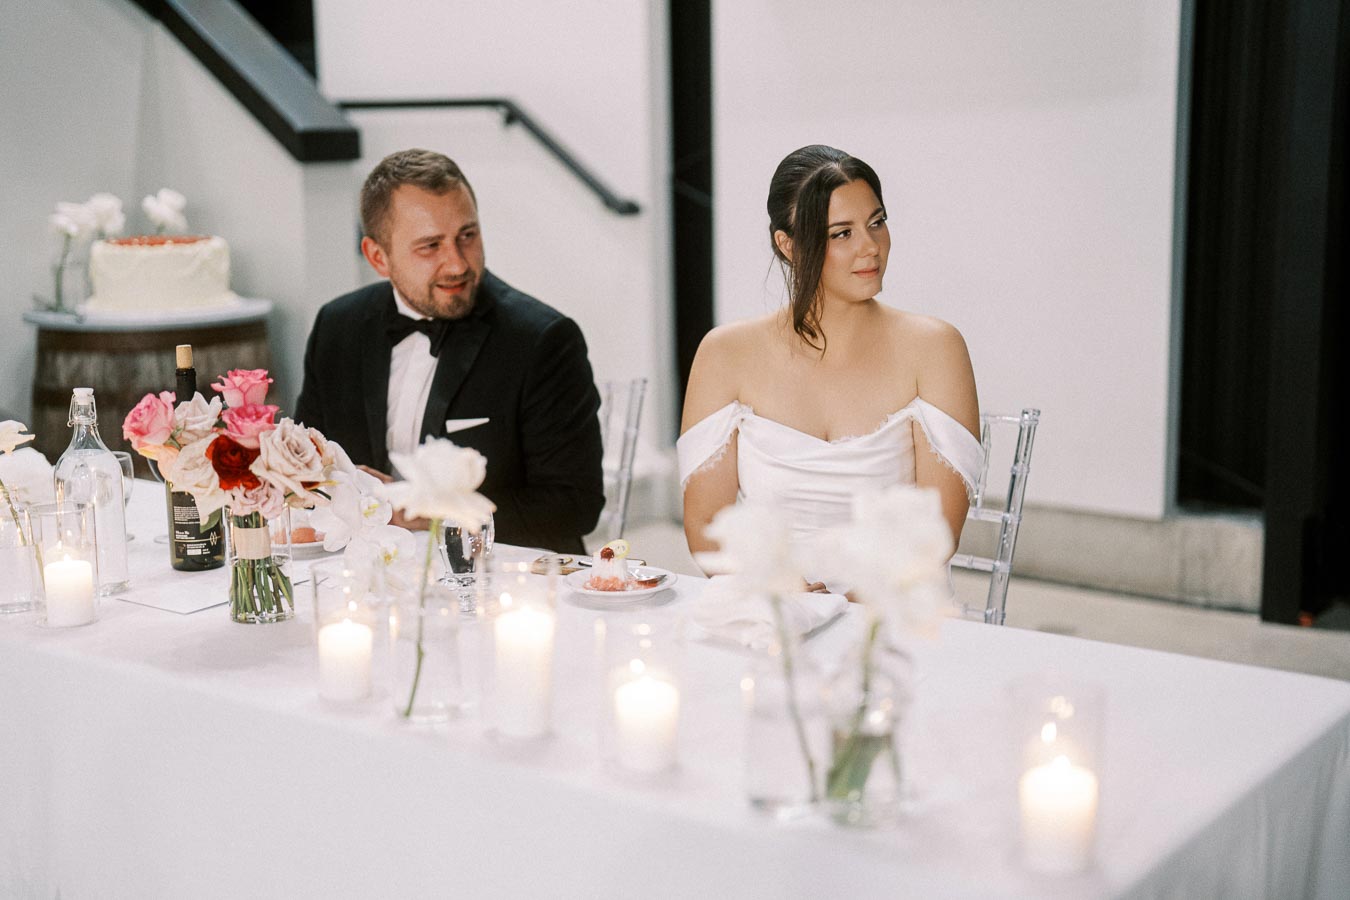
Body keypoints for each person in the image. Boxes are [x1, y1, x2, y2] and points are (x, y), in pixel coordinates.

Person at [678, 145, 981, 586]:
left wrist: (851, 604)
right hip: (770, 607)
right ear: (788, 245)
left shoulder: (935, 347)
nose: (870, 246)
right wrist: (781, 591)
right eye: (842, 233)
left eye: (876, 222)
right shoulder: (726, 353)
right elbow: (707, 525)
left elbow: (936, 531)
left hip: (891, 606)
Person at [295, 148, 605, 554]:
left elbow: (575, 506)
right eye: (430, 246)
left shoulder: (542, 340)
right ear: (377, 257)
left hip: (502, 578)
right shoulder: (338, 326)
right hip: (361, 572)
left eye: (467, 236)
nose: (457, 263)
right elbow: (307, 466)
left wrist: (427, 512)